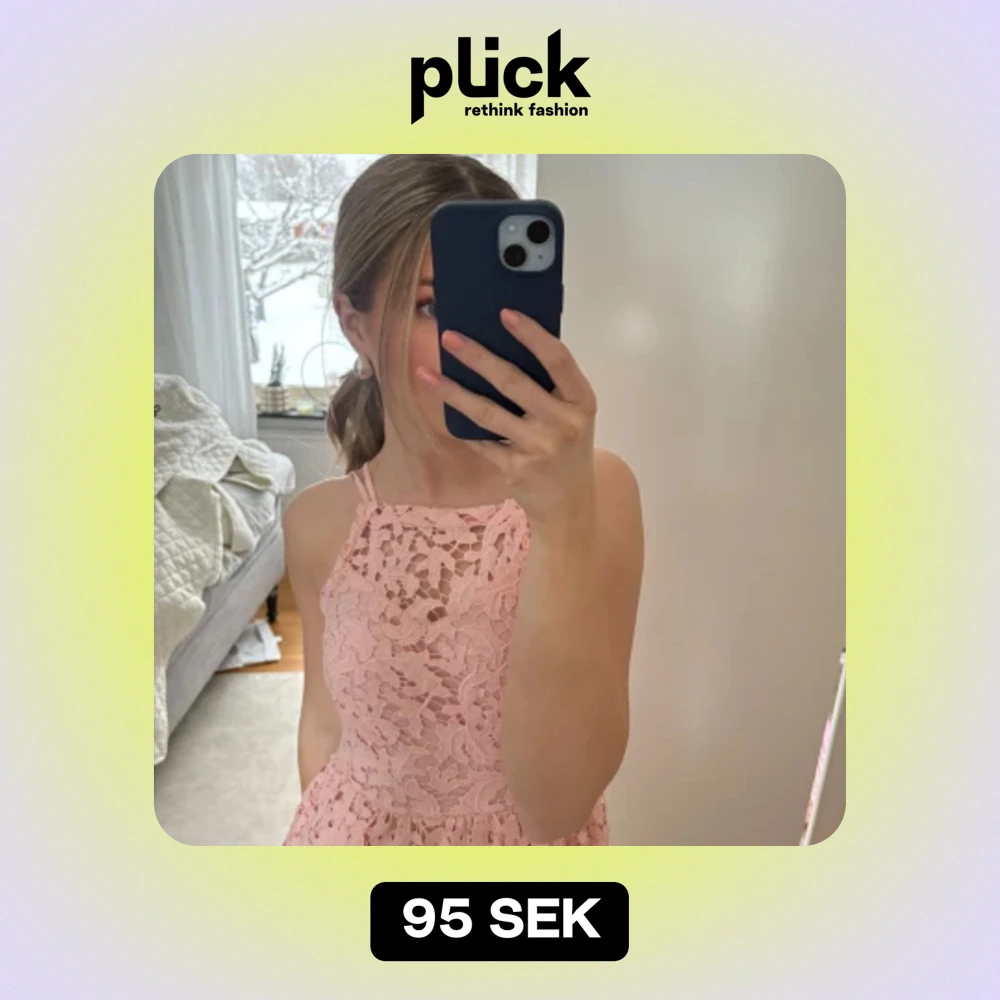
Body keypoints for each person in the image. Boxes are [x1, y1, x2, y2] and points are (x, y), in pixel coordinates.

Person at [282, 154, 644, 846]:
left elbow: (557, 807)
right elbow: (324, 725)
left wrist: (562, 519)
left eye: (501, 307)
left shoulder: (602, 494)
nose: (481, 344)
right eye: (431, 306)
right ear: (355, 326)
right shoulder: (317, 522)